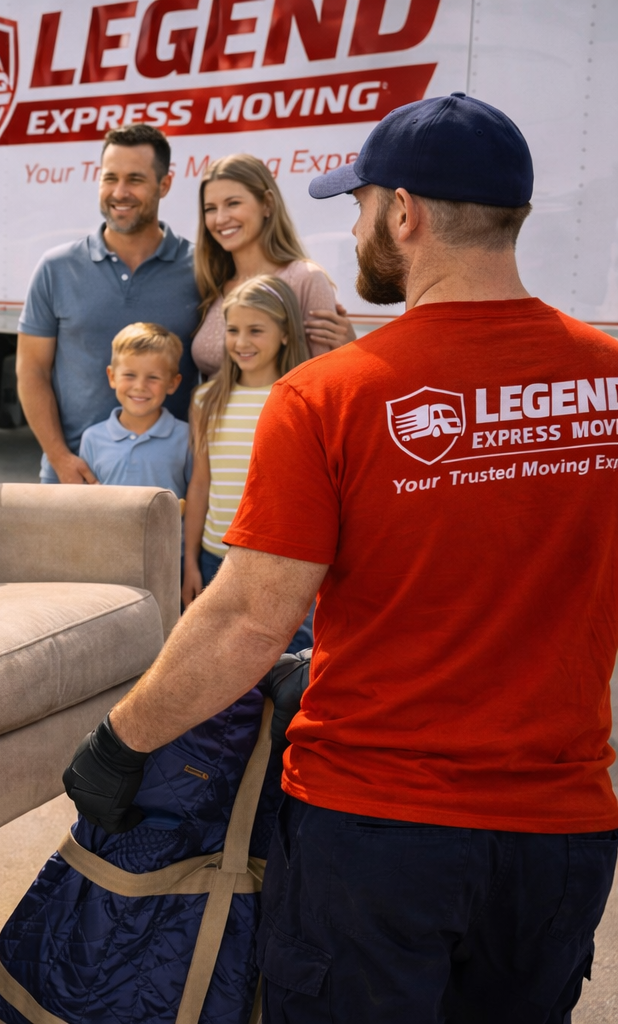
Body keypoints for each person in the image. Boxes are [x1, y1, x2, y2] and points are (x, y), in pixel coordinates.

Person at [61, 93, 618, 1022]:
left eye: (361, 205)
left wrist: (122, 739)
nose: (356, 228)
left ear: (405, 214)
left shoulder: (331, 396)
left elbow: (247, 619)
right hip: (559, 836)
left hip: (378, 834)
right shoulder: (606, 382)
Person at [17, 123, 202, 485]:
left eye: (135, 179)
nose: (119, 192)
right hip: (73, 479)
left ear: (164, 185)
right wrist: (60, 460)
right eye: (109, 178)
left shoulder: (200, 270)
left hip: (165, 486)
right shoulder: (56, 268)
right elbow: (31, 372)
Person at [181, 276, 313, 656]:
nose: (241, 342)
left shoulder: (301, 397)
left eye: (256, 330)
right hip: (215, 556)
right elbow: (200, 484)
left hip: (284, 561)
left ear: (286, 333)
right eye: (233, 330)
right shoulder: (207, 400)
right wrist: (189, 561)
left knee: (287, 665)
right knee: (219, 662)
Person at [189, 154, 355, 378]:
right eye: (210, 209)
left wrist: (350, 351)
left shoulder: (305, 279)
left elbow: (322, 381)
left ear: (266, 204)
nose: (220, 219)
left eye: (233, 203)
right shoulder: (211, 283)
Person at [76, 323, 192, 498]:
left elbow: (196, 495)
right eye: (130, 375)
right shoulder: (92, 439)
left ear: (172, 383)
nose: (139, 387)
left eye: (153, 377)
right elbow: (86, 501)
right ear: (112, 376)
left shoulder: (187, 437)